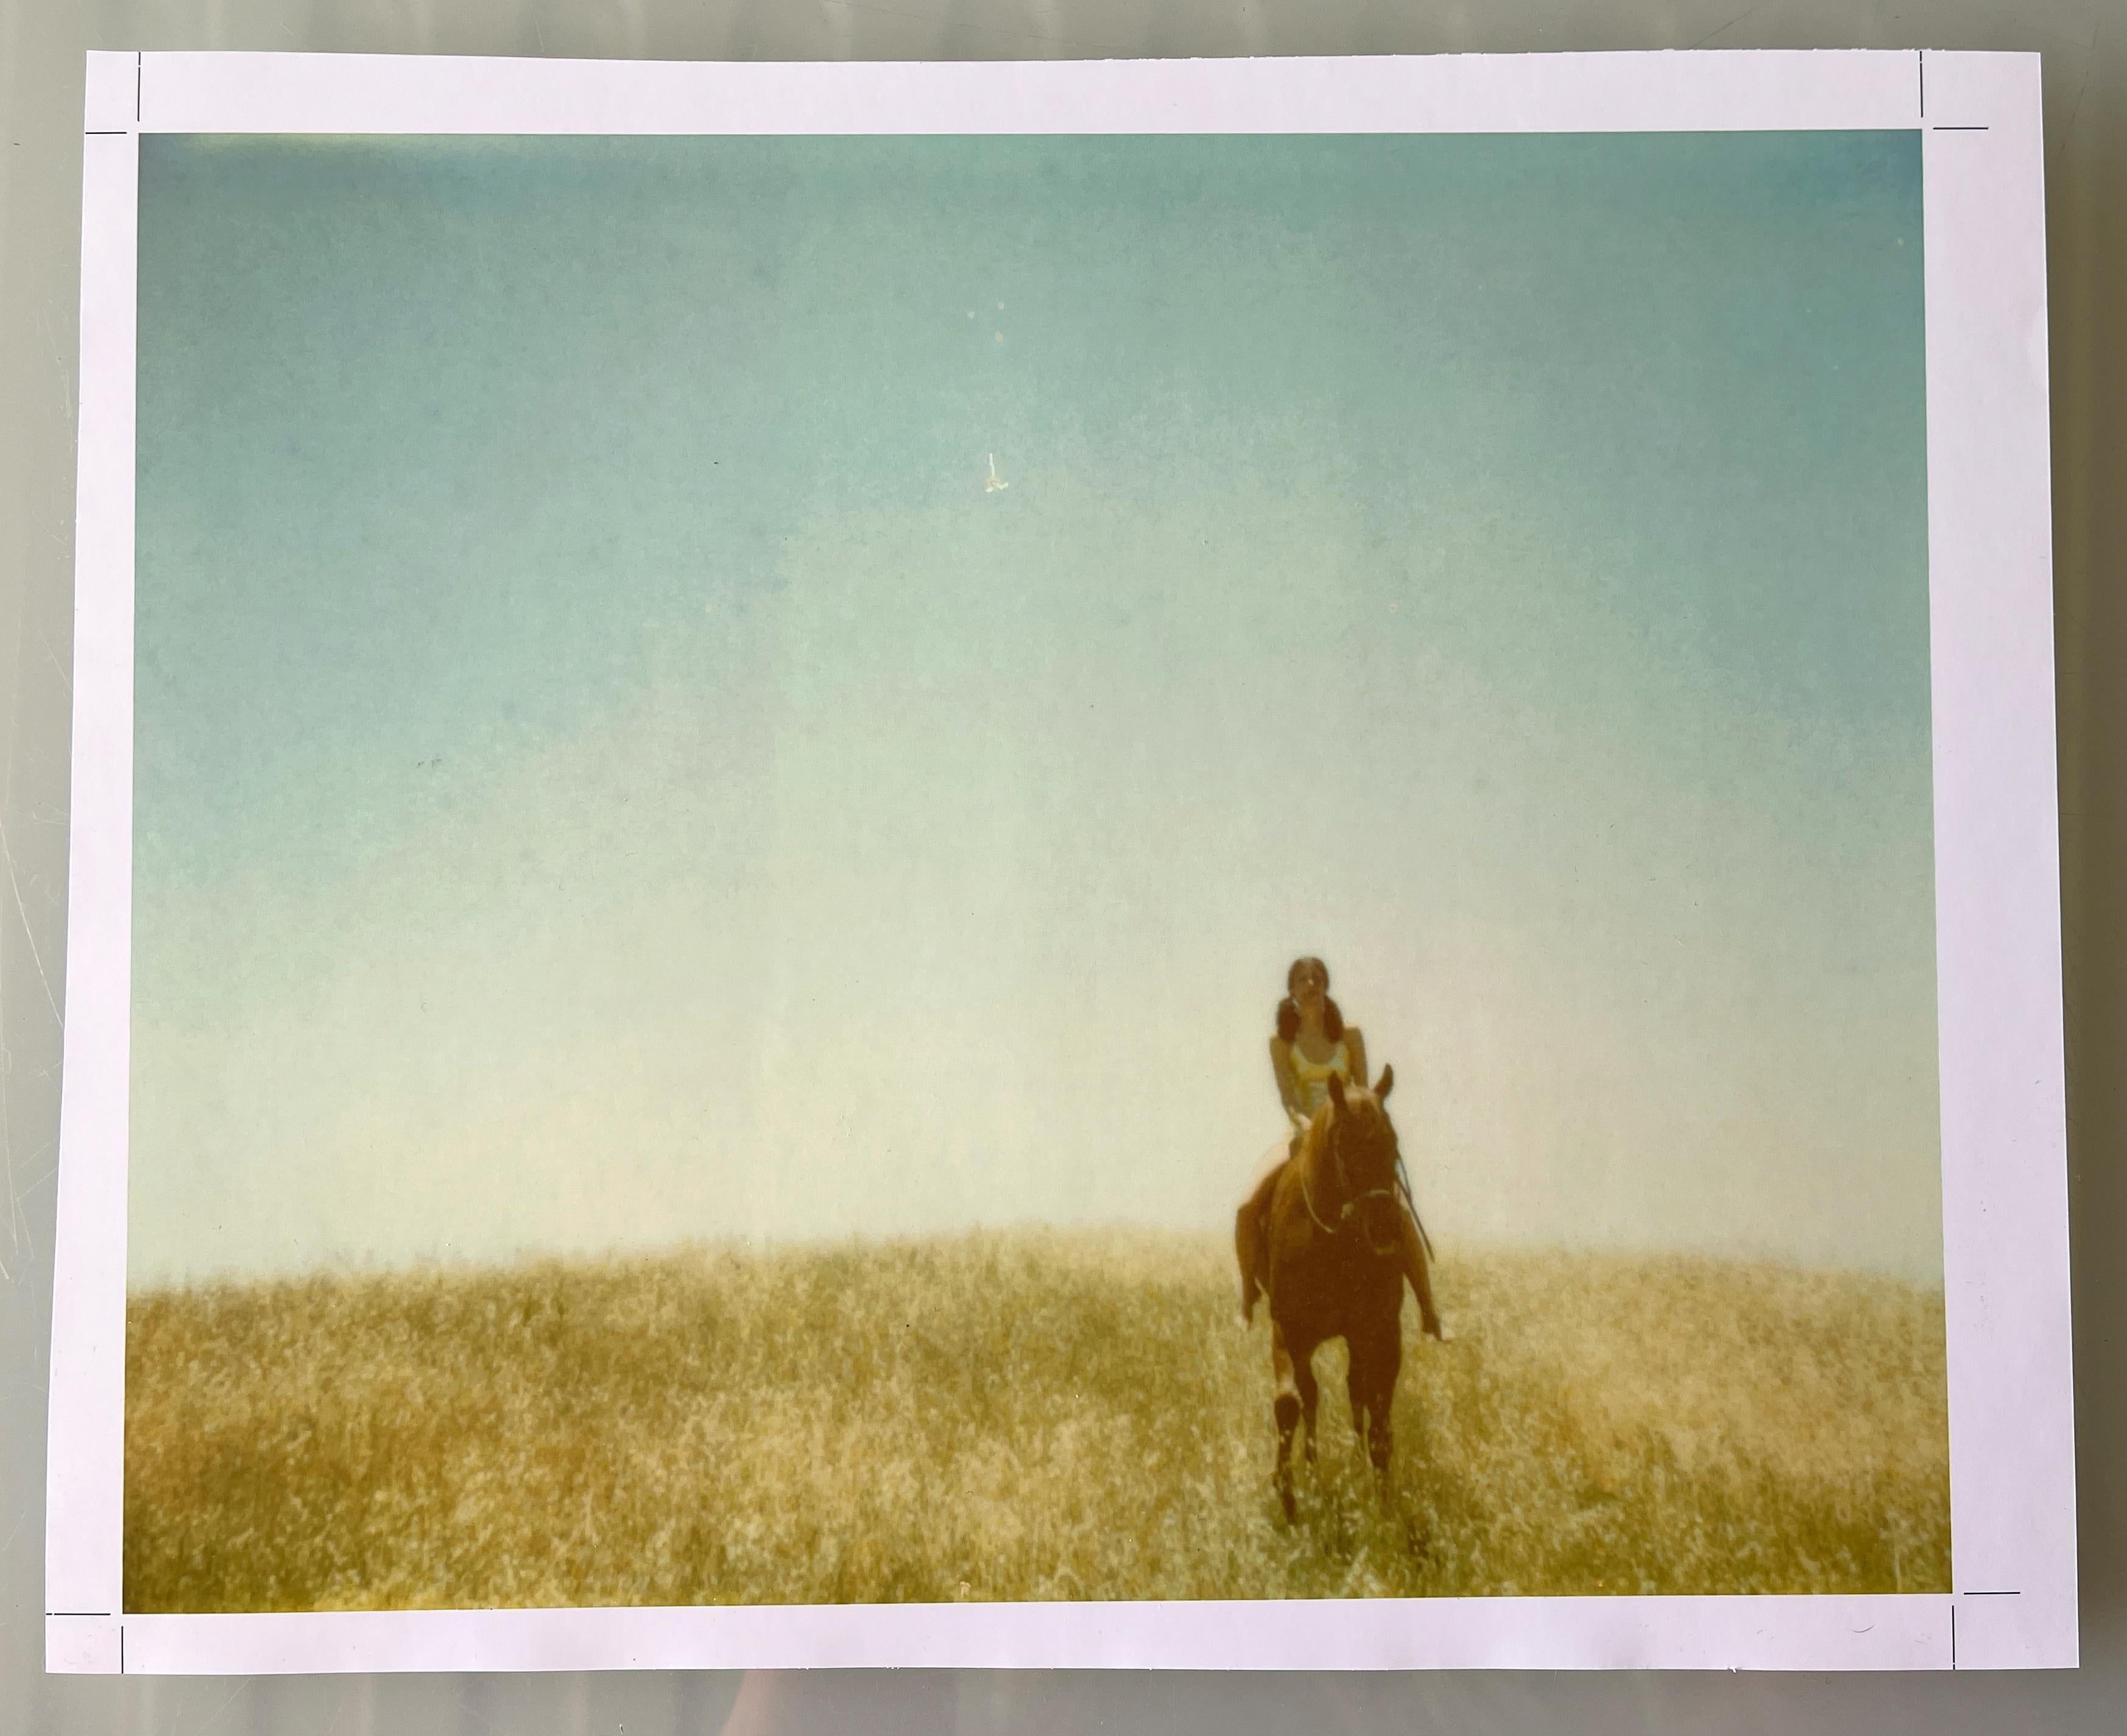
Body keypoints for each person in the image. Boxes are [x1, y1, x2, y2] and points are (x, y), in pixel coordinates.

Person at [1241, 956, 1449, 1341]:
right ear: (1291, 991)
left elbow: (1363, 1091)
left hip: (1350, 1134)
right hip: (1301, 1133)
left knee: (1396, 1211)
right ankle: (1248, 1295)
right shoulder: (1280, 1042)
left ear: (1325, 986)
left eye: (1317, 977)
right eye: (1302, 979)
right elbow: (1289, 1097)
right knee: (1248, 1204)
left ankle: (1430, 1312)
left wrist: (1351, 1125)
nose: (1310, 983)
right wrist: (1310, 1125)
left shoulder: (1349, 1034)